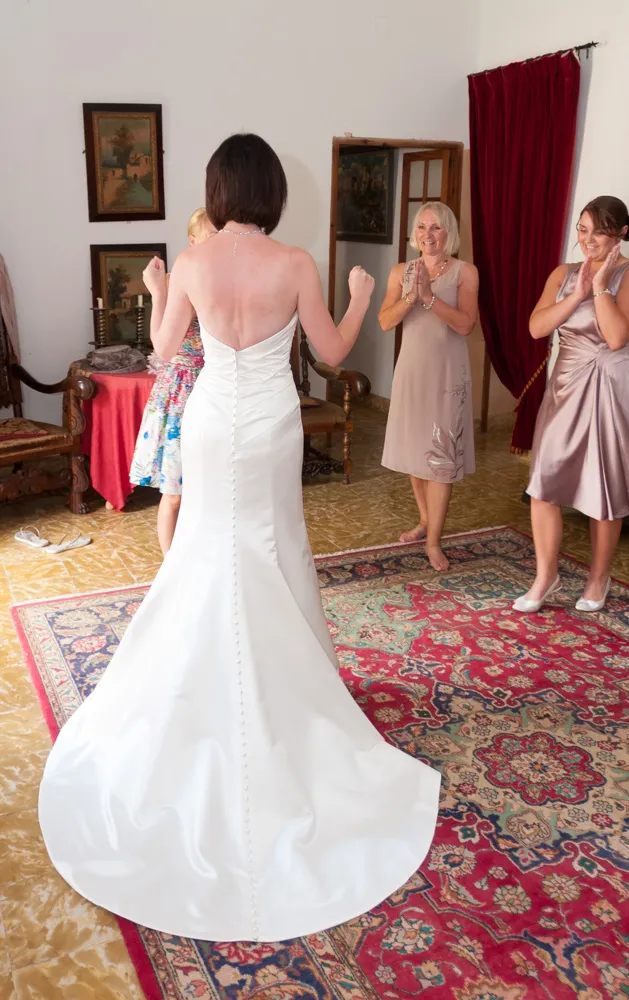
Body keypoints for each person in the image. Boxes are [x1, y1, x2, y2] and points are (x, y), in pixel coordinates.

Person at [38, 134, 441, 943]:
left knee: (206, 553)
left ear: (219, 189)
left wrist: (157, 286)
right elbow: (330, 353)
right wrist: (362, 293)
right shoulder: (294, 262)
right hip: (271, 427)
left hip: (214, 419)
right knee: (273, 549)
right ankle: (287, 692)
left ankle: (204, 686)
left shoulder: (190, 259)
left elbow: (161, 351)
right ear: (271, 189)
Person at [514, 196, 629, 614]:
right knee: (544, 484)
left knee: (604, 489)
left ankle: (598, 578)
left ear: (620, 234)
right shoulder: (563, 272)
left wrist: (598, 288)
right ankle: (545, 576)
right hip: (565, 388)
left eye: (598, 232)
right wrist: (576, 295)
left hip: (609, 389)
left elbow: (615, 337)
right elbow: (537, 327)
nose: (587, 240)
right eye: (582, 229)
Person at [379, 201, 479, 571]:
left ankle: (434, 541)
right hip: (412, 372)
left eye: (435, 228)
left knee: (440, 459)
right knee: (415, 454)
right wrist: (411, 295)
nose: (427, 235)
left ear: (448, 232)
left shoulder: (466, 273)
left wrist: (429, 298)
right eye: (421, 228)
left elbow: (466, 324)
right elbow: (385, 322)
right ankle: (424, 521)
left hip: (447, 373)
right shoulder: (400, 271)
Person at [130, 208, 215, 554]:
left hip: (214, 385)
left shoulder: (226, 279)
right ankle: (170, 564)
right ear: (193, 241)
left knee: (209, 490)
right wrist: (156, 293)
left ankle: (203, 557)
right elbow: (161, 343)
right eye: (211, 237)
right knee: (175, 492)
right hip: (180, 390)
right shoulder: (176, 279)